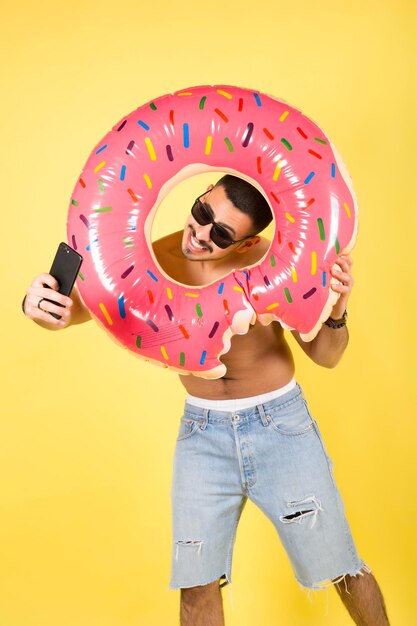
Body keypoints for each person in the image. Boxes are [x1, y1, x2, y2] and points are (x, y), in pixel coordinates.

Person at [23, 175, 390, 626]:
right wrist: (40, 305)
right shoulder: (157, 260)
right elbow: (78, 309)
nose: (198, 235)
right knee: (195, 582)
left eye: (220, 234)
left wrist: (336, 309)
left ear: (246, 243)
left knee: (339, 564)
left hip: (280, 426)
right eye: (200, 214)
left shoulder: (276, 263)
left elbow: (326, 356)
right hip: (202, 432)